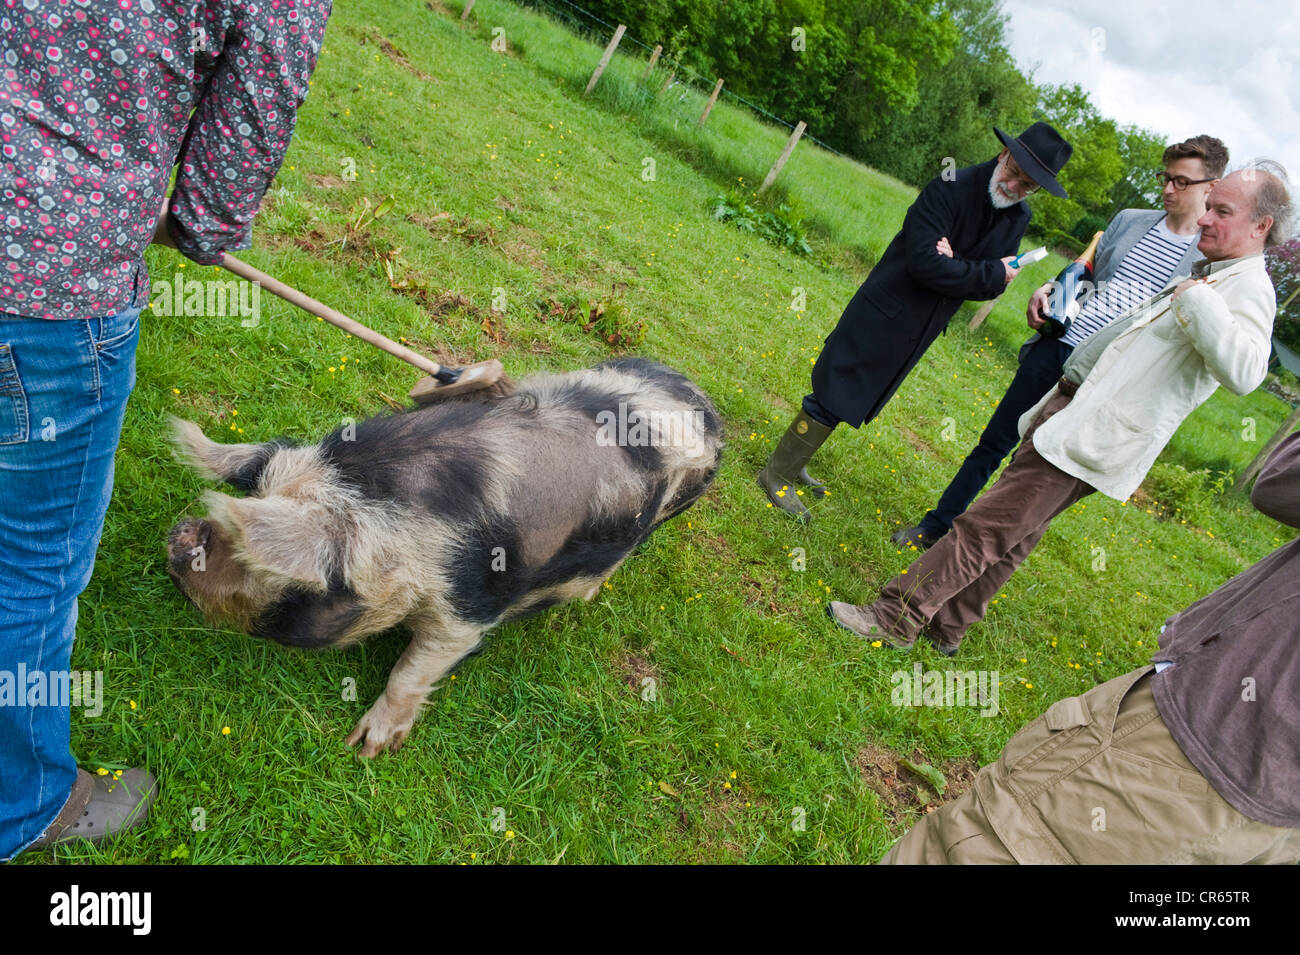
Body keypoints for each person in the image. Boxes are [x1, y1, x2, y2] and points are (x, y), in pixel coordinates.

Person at [0, 0, 333, 862]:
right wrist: (181, 220)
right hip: (47, 284)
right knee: (34, 557)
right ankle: (27, 801)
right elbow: (221, 192)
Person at [828, 162, 1291, 655]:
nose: (1204, 219)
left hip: (1098, 429)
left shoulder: (1246, 289)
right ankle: (948, 627)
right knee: (1018, 534)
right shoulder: (1213, 273)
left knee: (987, 525)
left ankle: (894, 617)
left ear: (1260, 226)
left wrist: (1198, 302)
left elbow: (1245, 372)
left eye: (1221, 211)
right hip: (1082, 412)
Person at [877, 430, 1300, 864]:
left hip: (1216, 737)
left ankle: (903, 616)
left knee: (991, 841)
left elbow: (1284, 482)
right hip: (1272, 806)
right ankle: (942, 622)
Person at [892, 135, 1229, 551]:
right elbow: (1087, 276)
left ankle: (975, 554)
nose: (1167, 188)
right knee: (994, 443)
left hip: (1104, 375)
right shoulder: (1130, 220)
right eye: (1165, 177)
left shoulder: (1208, 259)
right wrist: (1049, 290)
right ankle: (936, 527)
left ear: (1212, 187)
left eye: (1181, 182)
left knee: (1034, 470)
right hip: (1058, 348)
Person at [757, 123, 1073, 523]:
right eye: (1015, 174)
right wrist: (982, 269)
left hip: (919, 330)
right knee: (834, 389)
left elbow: (990, 286)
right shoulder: (950, 186)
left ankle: (796, 461)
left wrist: (961, 265)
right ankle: (776, 472)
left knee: (852, 396)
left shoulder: (1017, 219)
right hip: (883, 309)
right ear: (1003, 155)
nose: (1015, 187)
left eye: (1029, 186)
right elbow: (925, 263)